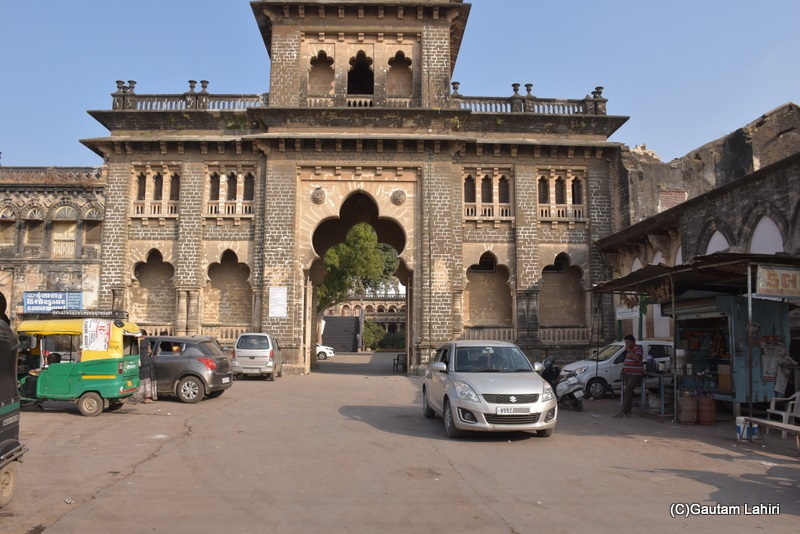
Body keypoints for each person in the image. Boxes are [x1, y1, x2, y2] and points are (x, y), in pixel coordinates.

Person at [614, 334, 643, 418]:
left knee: (627, 390)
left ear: (633, 342)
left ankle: (624, 412)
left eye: (628, 342)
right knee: (628, 392)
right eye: (626, 342)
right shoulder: (628, 350)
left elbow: (637, 358)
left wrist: (630, 351)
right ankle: (627, 411)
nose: (627, 344)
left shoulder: (638, 348)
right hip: (628, 373)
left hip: (635, 374)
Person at [135, 334, 157, 404]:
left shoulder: (136, 342)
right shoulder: (147, 342)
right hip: (146, 362)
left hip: (138, 362)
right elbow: (149, 351)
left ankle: (138, 396)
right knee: (147, 379)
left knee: (140, 379)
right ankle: (147, 398)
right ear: (144, 335)